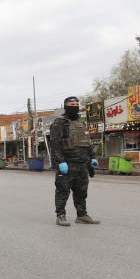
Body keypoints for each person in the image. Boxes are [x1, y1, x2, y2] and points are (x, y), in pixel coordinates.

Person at [48, 96, 100, 226]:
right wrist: (60, 161)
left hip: (82, 164)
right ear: (66, 106)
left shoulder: (80, 122)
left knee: (81, 191)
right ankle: (60, 215)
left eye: (77, 104)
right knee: (62, 191)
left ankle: (82, 215)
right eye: (72, 104)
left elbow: (87, 142)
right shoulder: (60, 123)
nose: (75, 106)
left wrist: (92, 157)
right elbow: (55, 144)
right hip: (67, 163)